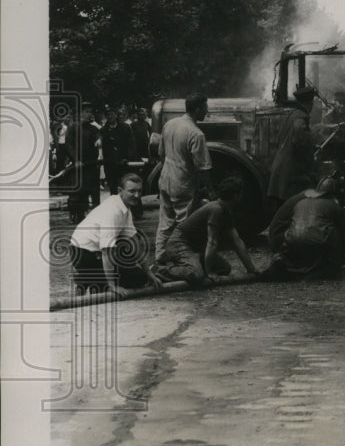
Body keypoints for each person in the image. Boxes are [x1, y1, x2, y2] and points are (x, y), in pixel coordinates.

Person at [69, 173, 163, 297]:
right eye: (132, 191)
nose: (137, 195)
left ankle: (90, 278)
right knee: (101, 290)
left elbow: (134, 242)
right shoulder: (112, 211)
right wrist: (112, 285)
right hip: (83, 254)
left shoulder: (124, 206)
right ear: (120, 191)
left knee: (140, 278)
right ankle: (84, 278)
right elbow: (107, 251)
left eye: (139, 191)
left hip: (95, 253)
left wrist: (149, 273)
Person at [156, 176, 258, 286]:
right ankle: (160, 270)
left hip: (194, 248)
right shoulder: (216, 209)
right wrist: (209, 272)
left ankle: (188, 265)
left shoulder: (226, 211)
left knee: (224, 269)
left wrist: (251, 269)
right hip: (178, 244)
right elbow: (212, 242)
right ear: (236, 196)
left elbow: (237, 241)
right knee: (197, 275)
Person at [155, 93, 212, 263]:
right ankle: (182, 259)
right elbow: (203, 168)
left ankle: (160, 256)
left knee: (165, 222)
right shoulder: (196, 134)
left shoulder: (170, 124)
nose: (206, 112)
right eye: (204, 109)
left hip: (165, 179)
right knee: (184, 225)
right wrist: (210, 190)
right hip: (183, 184)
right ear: (196, 110)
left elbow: (161, 154)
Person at [262, 176, 345, 280]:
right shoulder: (329, 204)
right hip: (280, 238)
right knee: (333, 230)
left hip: (288, 241)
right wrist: (343, 255)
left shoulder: (305, 199)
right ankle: (327, 265)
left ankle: (291, 262)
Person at [267, 85, 318, 208]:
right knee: (292, 209)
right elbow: (300, 140)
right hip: (290, 173)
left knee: (284, 210)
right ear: (310, 104)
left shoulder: (292, 114)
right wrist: (311, 156)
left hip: (282, 170)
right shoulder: (301, 117)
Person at [65, 101, 102, 223]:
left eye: (90, 112)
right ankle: (75, 214)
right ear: (80, 113)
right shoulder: (73, 127)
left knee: (92, 190)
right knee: (77, 191)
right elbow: (69, 145)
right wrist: (76, 160)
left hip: (90, 164)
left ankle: (96, 216)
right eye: (86, 112)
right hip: (77, 165)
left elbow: (99, 136)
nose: (89, 114)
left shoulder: (93, 128)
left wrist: (99, 140)